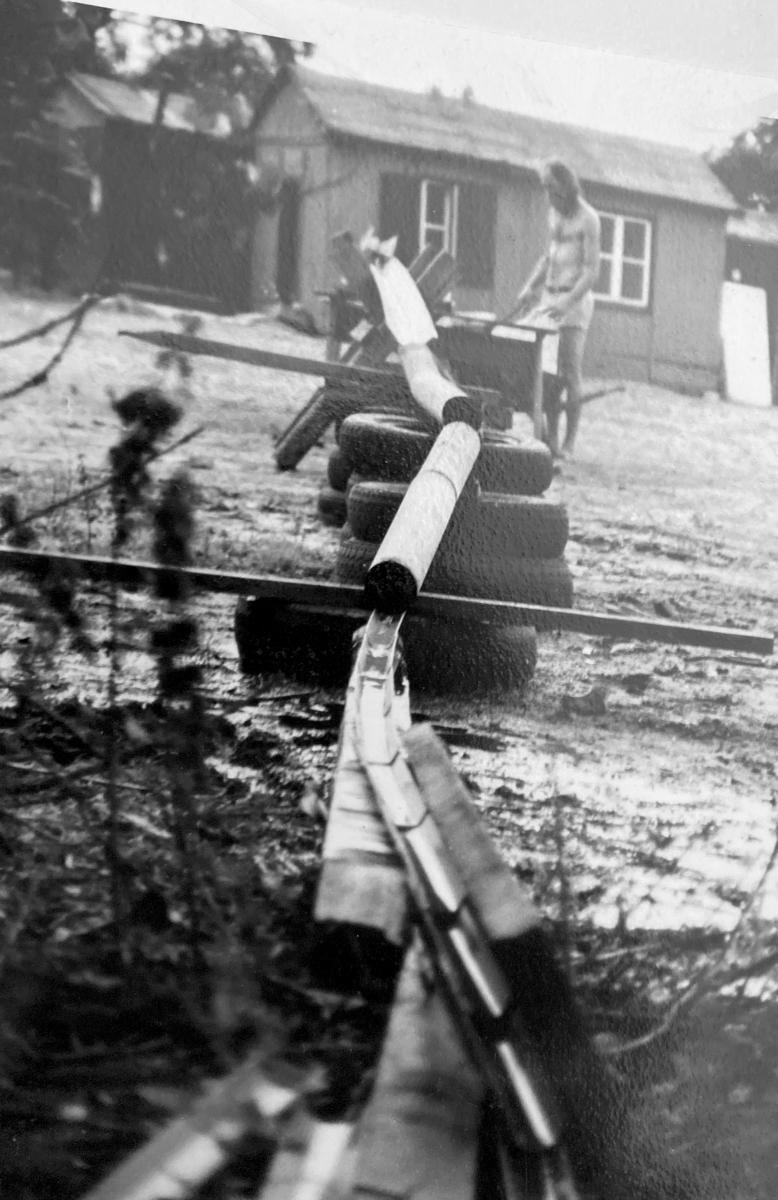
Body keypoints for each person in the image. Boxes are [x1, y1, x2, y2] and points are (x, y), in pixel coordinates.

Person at [514, 160, 601, 457]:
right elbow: (547, 257)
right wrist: (530, 287)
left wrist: (567, 302)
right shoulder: (553, 214)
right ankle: (550, 439)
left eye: (551, 188)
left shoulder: (589, 219)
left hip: (574, 303)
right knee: (547, 373)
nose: (548, 195)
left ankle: (569, 443)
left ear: (566, 186)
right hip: (549, 299)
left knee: (570, 372)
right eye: (545, 188)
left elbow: (591, 271)